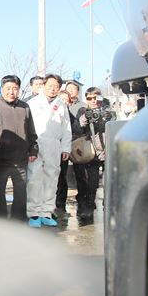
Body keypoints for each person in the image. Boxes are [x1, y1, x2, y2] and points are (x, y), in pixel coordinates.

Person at [0, 75, 38, 220]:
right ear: (2, 89)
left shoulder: (25, 107)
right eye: (8, 88)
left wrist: (33, 150)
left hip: (21, 158)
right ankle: (0, 220)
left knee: (21, 191)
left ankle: (18, 220)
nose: (11, 92)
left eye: (15, 89)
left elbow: (31, 131)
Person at [26, 74, 71, 227]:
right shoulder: (32, 103)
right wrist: (29, 147)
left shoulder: (61, 104)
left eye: (56, 87)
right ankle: (33, 213)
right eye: (50, 86)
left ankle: (46, 211)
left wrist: (66, 147)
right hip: (37, 143)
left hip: (54, 144)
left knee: (52, 179)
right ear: (43, 86)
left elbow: (67, 128)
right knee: (34, 178)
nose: (53, 89)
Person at [76, 87, 117, 219]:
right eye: (89, 98)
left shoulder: (108, 109)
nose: (93, 101)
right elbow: (78, 126)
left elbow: (115, 123)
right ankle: (89, 205)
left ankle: (109, 205)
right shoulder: (83, 110)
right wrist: (86, 117)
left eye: (96, 98)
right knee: (92, 182)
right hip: (92, 151)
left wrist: (108, 115)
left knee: (109, 180)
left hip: (108, 149)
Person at [57, 80, 88, 216]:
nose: (70, 91)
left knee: (80, 175)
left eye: (73, 89)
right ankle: (58, 205)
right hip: (58, 147)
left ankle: (83, 202)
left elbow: (79, 127)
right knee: (59, 177)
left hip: (76, 145)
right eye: (68, 88)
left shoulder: (82, 107)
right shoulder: (56, 109)